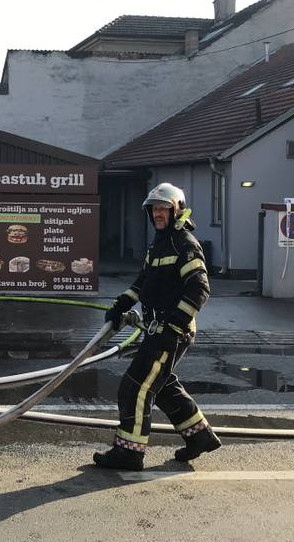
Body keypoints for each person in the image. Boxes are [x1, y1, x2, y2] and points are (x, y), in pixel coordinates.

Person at [93, 182, 219, 471]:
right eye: (154, 209)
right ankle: (200, 436)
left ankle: (129, 453)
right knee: (161, 386)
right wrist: (120, 306)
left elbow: (199, 288)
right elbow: (143, 283)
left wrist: (173, 325)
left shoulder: (184, 243)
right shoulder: (159, 244)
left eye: (163, 208)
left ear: (176, 210)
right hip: (158, 329)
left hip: (170, 333)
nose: (158, 214)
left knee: (135, 388)